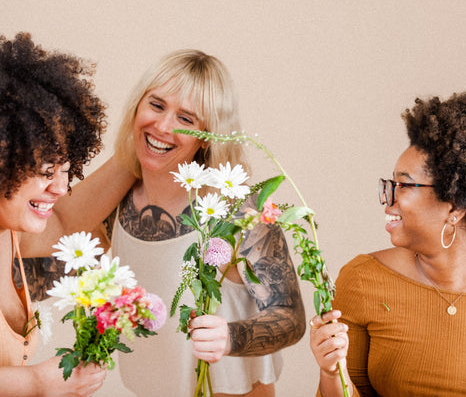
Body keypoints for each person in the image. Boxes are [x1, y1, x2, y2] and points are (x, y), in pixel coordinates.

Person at [26, 49, 306, 396]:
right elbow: (54, 272)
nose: (162, 126)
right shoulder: (120, 204)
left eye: (186, 119)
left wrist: (231, 337)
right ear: (137, 105)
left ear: (210, 133)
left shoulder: (238, 209)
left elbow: (290, 317)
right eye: (156, 106)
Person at [0, 33, 134, 396]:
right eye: (46, 171)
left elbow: (65, 221)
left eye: (66, 169)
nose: (60, 189)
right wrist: (35, 383)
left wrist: (141, 147)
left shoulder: (2, 219)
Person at [309, 91, 466, 396]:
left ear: (455, 206)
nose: (387, 199)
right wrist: (329, 371)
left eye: (403, 185)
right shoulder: (363, 279)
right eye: (390, 184)